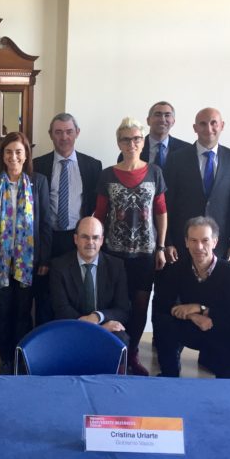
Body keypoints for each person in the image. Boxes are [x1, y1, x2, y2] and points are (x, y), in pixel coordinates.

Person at [94, 117, 167, 376]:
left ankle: (132, 353)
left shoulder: (155, 172)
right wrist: (96, 248)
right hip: (113, 254)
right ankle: (115, 352)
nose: (132, 143)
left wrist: (161, 247)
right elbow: (100, 213)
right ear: (119, 143)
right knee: (116, 303)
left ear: (143, 141)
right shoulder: (107, 175)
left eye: (136, 138)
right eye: (126, 139)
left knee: (140, 305)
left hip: (145, 254)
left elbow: (161, 211)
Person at [0, 132, 52, 375]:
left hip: (28, 260)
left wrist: (44, 258)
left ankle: (22, 357)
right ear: (2, 155)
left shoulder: (38, 181)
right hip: (0, 260)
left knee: (23, 312)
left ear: (26, 154)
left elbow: (45, 223)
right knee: (2, 312)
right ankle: (6, 359)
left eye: (18, 151)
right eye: (8, 152)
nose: (14, 156)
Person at [152, 216, 230, 378]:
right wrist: (193, 315)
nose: (199, 247)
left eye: (205, 241)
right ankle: (170, 373)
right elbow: (161, 304)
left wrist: (200, 308)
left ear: (215, 242)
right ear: (186, 242)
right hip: (188, 326)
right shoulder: (175, 271)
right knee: (163, 321)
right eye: (193, 240)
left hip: (220, 328)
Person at [33, 112, 103, 324]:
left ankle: (73, 333)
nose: (64, 137)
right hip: (46, 238)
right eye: (58, 132)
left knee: (74, 292)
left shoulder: (92, 166)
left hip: (77, 238)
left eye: (69, 132)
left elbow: (94, 203)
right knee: (44, 293)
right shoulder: (37, 165)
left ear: (77, 133)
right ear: (50, 134)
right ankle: (45, 336)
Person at [163, 107, 230, 263]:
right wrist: (168, 242)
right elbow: (167, 203)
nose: (208, 128)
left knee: (216, 279)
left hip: (218, 242)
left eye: (214, 123)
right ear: (195, 128)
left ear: (222, 125)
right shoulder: (176, 159)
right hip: (183, 242)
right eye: (202, 124)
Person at [49, 216, 130, 346]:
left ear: (102, 240)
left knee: (120, 338)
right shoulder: (59, 266)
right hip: (72, 326)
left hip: (105, 323)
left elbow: (122, 309)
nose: (90, 242)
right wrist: (97, 328)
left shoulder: (116, 266)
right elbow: (61, 309)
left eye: (95, 237)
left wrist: (97, 317)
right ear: (75, 239)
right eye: (85, 237)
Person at [118, 101, 189, 166]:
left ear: (173, 122)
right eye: (158, 115)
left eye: (167, 115)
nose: (162, 119)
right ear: (148, 120)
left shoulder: (186, 150)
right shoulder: (131, 150)